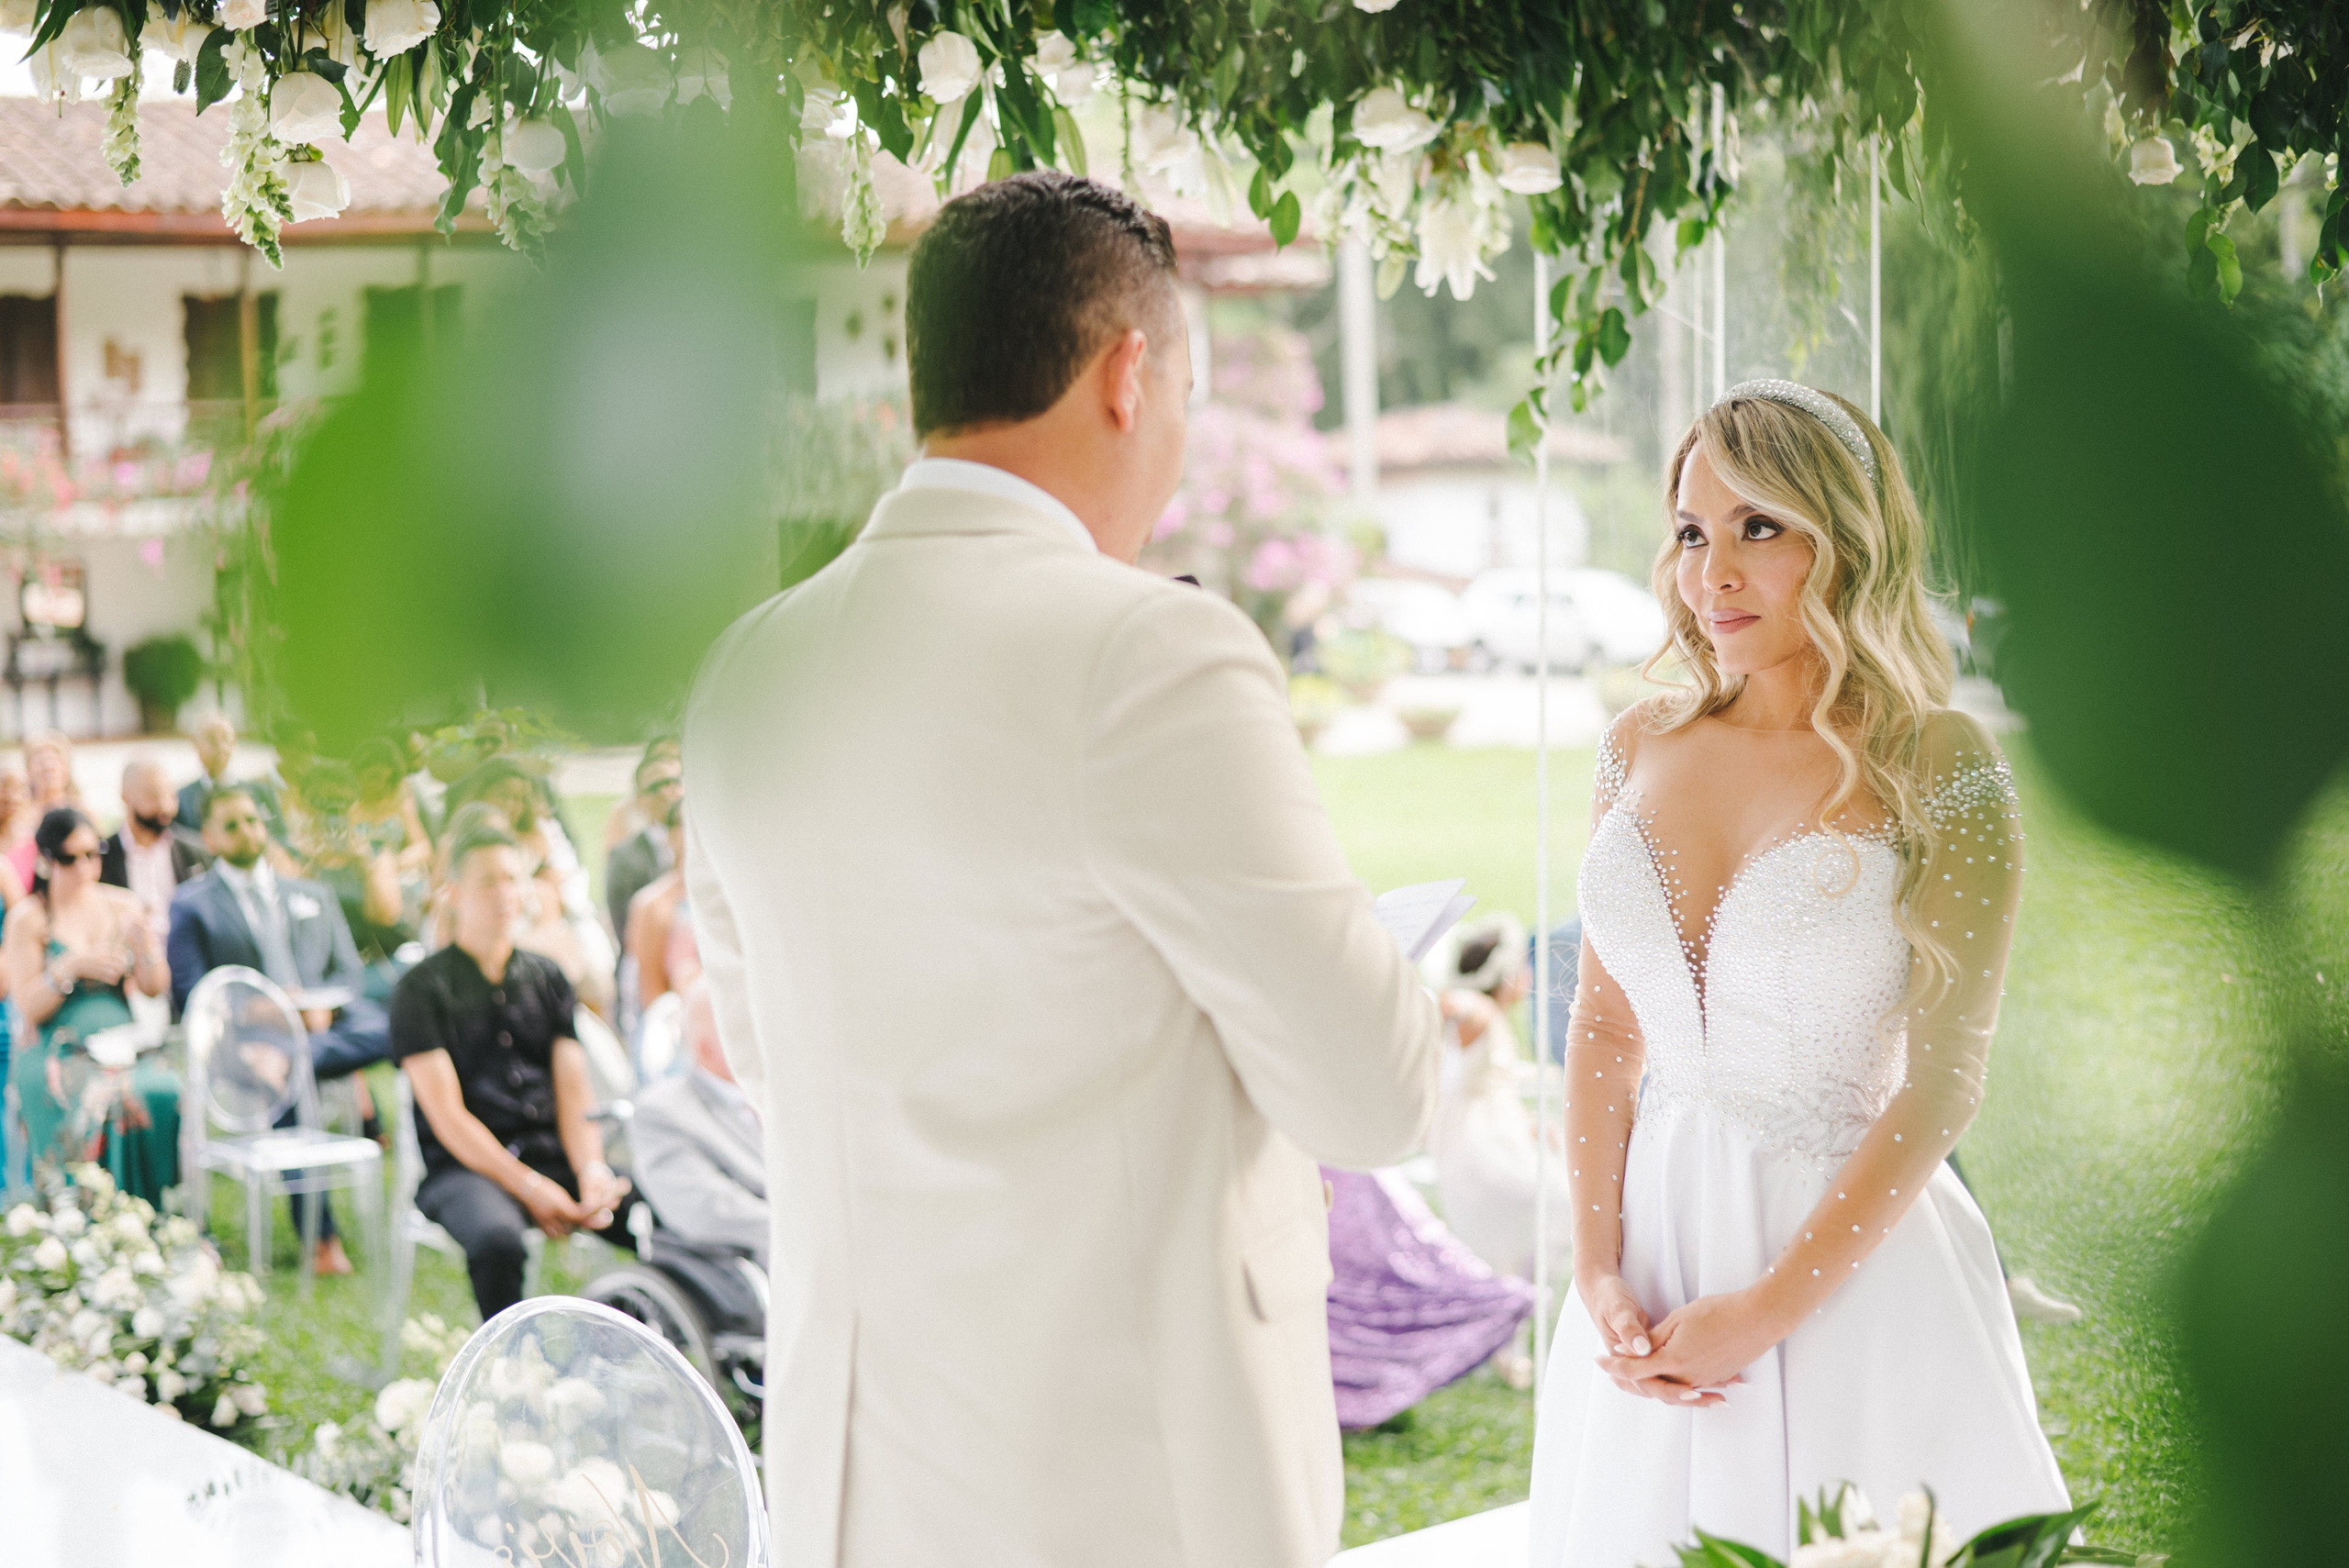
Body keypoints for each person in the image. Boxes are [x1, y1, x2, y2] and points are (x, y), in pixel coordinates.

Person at [685, 172, 1441, 1568]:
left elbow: (764, 1053)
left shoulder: (745, 672)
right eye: (1191, 393)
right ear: (1129, 373)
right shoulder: (1150, 654)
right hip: (1132, 1482)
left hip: (858, 1488)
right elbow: (1375, 1092)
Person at [1528, 381, 2069, 1565]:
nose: (1711, 573)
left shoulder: (1941, 763)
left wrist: (1766, 1313)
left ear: (1847, 536)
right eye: (1690, 532)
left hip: (1847, 1272)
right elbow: (1607, 1031)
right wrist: (1598, 1269)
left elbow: (1944, 1084)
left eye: (1758, 527)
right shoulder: (1639, 746)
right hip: (1655, 1263)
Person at [391, 821, 637, 1320]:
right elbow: (448, 1119)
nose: (504, 893)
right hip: (463, 1168)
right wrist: (527, 1186)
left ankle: (652, 1345)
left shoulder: (547, 978)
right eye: (487, 881)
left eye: (512, 878)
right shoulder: (419, 989)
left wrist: (590, 1168)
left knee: (648, 1208)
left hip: (551, 1152)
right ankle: (513, 1373)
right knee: (497, 1241)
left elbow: (574, 1094)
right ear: (453, 893)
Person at [169, 785, 391, 1273]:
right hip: (249, 1044)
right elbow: (191, 995)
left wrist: (321, 1008)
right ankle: (321, 1240)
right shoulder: (192, 904)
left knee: (400, 1026)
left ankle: (426, 1175)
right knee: (283, 1077)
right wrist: (263, 1009)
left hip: (320, 1032)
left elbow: (348, 974)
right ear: (209, 836)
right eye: (231, 825)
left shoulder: (309, 893)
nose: (247, 831)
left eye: (252, 820)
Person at [1, 808, 177, 1205]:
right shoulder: (29, 918)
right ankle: (82, 1211)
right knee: (92, 1093)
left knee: (162, 1089)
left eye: (92, 854)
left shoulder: (123, 906)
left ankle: (151, 1205)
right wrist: (70, 968)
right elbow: (28, 1006)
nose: (83, 867)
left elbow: (154, 988)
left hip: (122, 1042)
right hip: (55, 1046)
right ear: (46, 861)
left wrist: (147, 951)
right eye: (69, 858)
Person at [1423, 913, 1575, 1290]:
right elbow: (1451, 1004)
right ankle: (1515, 1301)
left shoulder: (1491, 1020)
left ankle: (1512, 1308)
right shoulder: (1480, 1013)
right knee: (1558, 1206)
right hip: (1483, 1143)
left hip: (1498, 1135)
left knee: (1550, 1213)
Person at [629, 982, 766, 1263]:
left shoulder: (787, 1096)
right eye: (746, 1030)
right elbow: (707, 1209)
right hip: (759, 1252)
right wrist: (803, 1230)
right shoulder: (661, 1111)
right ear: (705, 1048)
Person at [100, 758, 211, 946]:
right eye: (153, 796)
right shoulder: (101, 857)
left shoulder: (195, 852)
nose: (165, 806)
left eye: (170, 796)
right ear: (125, 797)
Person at [604, 740, 683, 940]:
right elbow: (625, 930)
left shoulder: (705, 845)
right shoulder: (625, 858)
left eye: (676, 782)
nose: (671, 791)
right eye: (660, 785)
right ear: (640, 800)